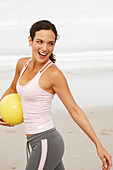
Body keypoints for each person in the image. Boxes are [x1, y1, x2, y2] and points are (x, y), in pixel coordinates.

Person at [0, 20, 112, 170]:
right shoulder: (22, 64)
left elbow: (74, 110)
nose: (45, 48)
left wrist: (98, 145)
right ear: (30, 40)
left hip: (46, 142)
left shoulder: (54, 74)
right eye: (39, 41)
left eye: (50, 43)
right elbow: (12, 89)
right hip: (36, 142)